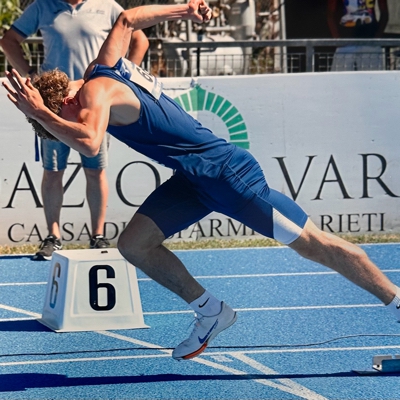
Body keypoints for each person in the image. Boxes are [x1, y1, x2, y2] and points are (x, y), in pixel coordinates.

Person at [3, 0, 400, 361]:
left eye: (62, 122)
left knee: (317, 246)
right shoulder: (99, 68)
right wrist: (186, 9)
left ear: (66, 102)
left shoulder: (94, 92)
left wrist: (39, 114)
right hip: (192, 180)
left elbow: (89, 142)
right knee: (134, 244)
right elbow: (126, 20)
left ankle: (396, 302)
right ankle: (211, 311)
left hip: (226, 175)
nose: (68, 130)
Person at [0, 0, 149, 260]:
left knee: (95, 171)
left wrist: (123, 79)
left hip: (94, 105)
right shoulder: (42, 6)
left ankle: (97, 236)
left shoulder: (107, 5)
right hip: (52, 107)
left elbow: (140, 41)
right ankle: (53, 237)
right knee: (53, 172)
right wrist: (32, 76)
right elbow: (8, 41)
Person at [327, 0, 389, 71]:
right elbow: (330, 14)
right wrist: (337, 39)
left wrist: (376, 38)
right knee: (340, 76)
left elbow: (384, 13)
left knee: (372, 77)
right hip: (346, 41)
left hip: (369, 41)